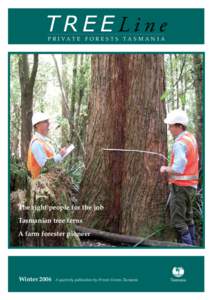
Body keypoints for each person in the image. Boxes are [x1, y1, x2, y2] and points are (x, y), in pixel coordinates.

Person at [160, 109, 199, 245]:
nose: (169, 129)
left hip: (181, 188)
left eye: (171, 126)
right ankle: (194, 245)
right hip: (191, 187)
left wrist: (165, 169)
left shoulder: (180, 143)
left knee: (178, 222)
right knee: (188, 218)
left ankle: (188, 250)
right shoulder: (190, 138)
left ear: (179, 126)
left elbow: (178, 169)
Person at [27, 112, 66, 179]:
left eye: (48, 121)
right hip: (40, 185)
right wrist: (60, 155)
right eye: (45, 121)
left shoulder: (45, 142)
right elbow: (45, 165)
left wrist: (61, 155)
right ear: (37, 125)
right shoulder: (36, 143)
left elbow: (52, 161)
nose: (48, 124)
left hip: (48, 182)